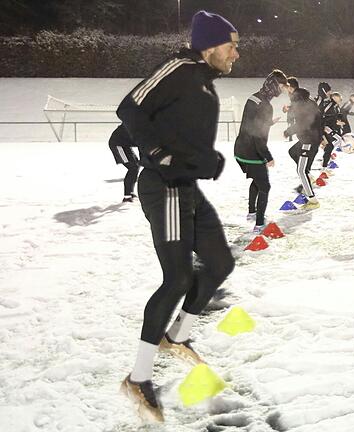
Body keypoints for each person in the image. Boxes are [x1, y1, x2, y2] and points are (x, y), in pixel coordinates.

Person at [116, 10, 240, 421]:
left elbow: (183, 135)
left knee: (221, 262)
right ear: (208, 45)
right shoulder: (180, 67)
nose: (236, 53)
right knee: (178, 278)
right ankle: (138, 377)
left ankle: (178, 336)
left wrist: (206, 160)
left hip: (186, 187)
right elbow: (130, 108)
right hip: (164, 186)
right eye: (231, 45)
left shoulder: (203, 83)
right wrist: (155, 153)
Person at [234, 69, 288, 233]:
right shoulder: (266, 105)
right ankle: (259, 224)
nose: (282, 89)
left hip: (240, 148)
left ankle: (252, 212)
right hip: (253, 151)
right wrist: (268, 156)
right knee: (265, 186)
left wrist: (269, 123)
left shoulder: (254, 97)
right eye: (281, 85)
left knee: (257, 180)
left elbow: (253, 123)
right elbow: (258, 135)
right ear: (273, 85)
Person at [285, 87, 322, 210]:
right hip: (308, 139)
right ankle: (308, 175)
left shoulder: (304, 107)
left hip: (308, 141)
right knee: (292, 152)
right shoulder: (309, 103)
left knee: (301, 171)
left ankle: (313, 200)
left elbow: (303, 124)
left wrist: (288, 131)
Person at [108, 124, 140, 202]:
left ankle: (130, 192)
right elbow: (142, 144)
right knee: (133, 168)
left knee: (136, 166)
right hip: (118, 144)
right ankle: (127, 196)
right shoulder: (143, 123)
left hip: (125, 144)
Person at [282, 76, 299, 141]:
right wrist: (287, 108)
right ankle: (290, 136)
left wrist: (288, 108)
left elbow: (298, 106)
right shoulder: (292, 94)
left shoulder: (298, 95)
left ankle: (290, 135)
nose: (286, 89)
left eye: (287, 87)